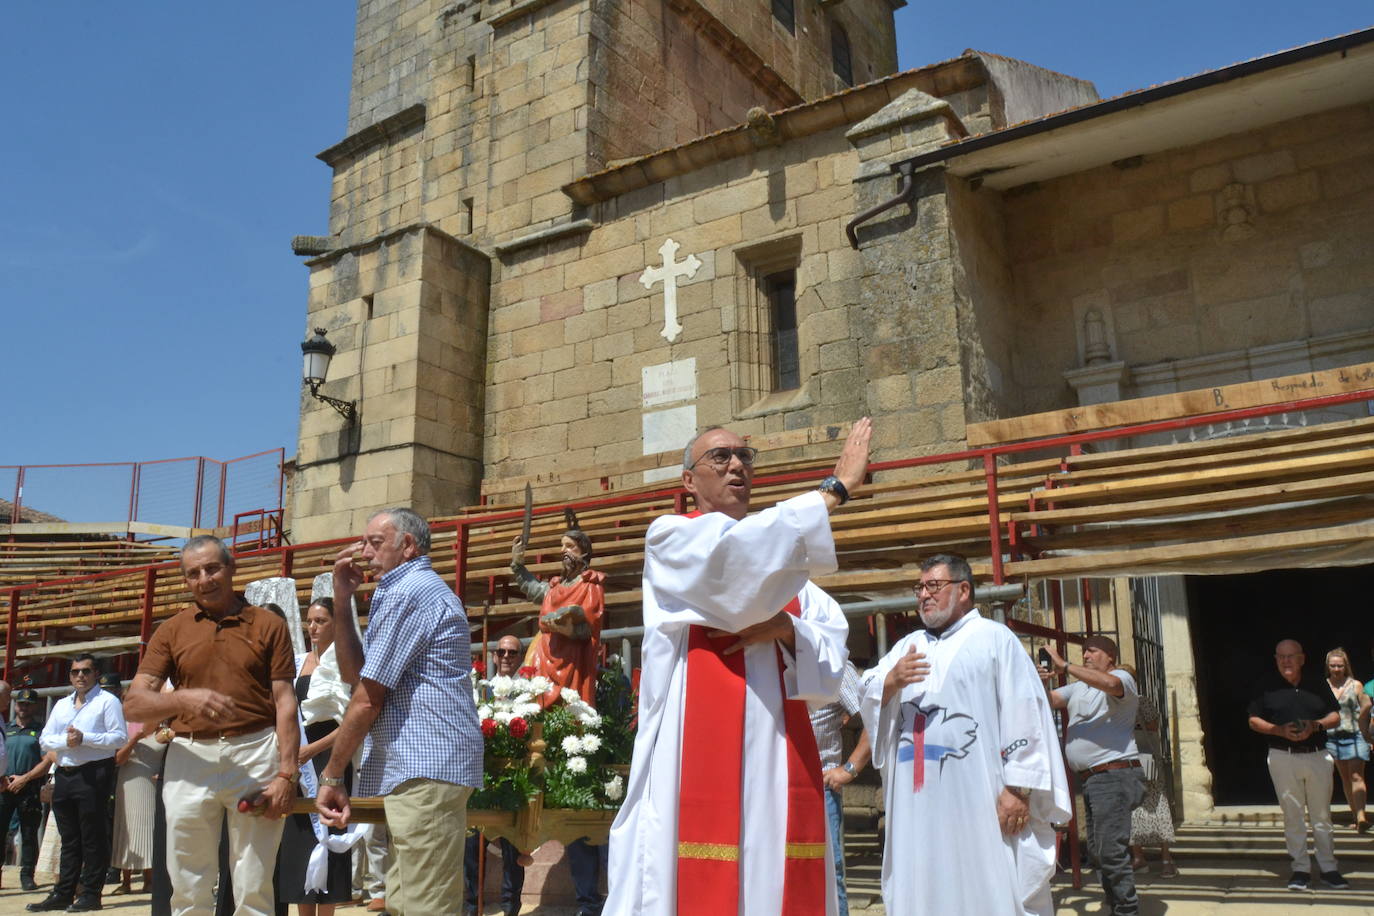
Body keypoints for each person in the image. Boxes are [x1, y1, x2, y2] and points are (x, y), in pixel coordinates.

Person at [604, 419, 870, 916]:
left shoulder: (795, 579)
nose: (736, 465)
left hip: (778, 750)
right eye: (720, 457)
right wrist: (833, 491)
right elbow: (734, 568)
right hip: (694, 747)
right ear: (688, 481)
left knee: (772, 871)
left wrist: (789, 631)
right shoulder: (670, 539)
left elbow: (833, 657)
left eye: (744, 456)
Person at [863, 556, 1070, 916]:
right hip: (917, 808)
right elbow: (865, 692)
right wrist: (891, 681)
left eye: (933, 586)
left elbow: (1025, 712)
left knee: (989, 886)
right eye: (919, 588)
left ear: (963, 591)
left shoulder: (994, 639)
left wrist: (1018, 789)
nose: (923, 596)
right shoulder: (907, 647)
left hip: (982, 802)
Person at [318, 507, 483, 916]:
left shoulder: (410, 592)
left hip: (426, 766)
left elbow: (367, 698)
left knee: (423, 905)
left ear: (407, 545)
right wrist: (342, 600)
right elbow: (354, 675)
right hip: (420, 768)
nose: (364, 553)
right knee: (406, 902)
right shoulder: (405, 591)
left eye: (375, 543)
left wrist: (334, 774)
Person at [123, 534, 300, 916]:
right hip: (188, 755)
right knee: (187, 882)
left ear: (231, 568)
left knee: (254, 883)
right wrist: (182, 699)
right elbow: (134, 704)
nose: (204, 579)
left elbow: (285, 702)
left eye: (212, 568)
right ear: (186, 581)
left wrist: (287, 774)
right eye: (193, 573)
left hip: (255, 751)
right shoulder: (172, 630)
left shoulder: (269, 625)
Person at [1041, 636, 1143, 916]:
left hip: (1114, 773)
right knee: (1098, 851)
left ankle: (1126, 910)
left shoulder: (1122, 677)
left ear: (1110, 656)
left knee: (1110, 851)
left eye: (1092, 651)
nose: (1086, 655)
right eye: (1083, 652)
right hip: (1094, 779)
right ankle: (1114, 905)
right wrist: (1043, 679)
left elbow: (1111, 686)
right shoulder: (1080, 687)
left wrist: (1065, 665)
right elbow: (1047, 701)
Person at [277, 598, 356, 915]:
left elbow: (351, 722)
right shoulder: (296, 663)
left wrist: (314, 749)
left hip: (330, 760)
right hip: (297, 762)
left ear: (336, 624)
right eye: (309, 620)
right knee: (299, 842)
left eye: (321, 620)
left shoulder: (346, 664)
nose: (313, 627)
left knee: (329, 837)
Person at [1246, 639, 1345, 891]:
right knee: (1293, 815)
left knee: (1322, 815)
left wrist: (1316, 725)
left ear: (1302, 658)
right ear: (1275, 659)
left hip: (1317, 755)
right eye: (1281, 656)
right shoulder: (1265, 686)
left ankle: (1328, 868)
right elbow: (1253, 720)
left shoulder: (1316, 684)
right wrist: (1279, 730)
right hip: (1282, 756)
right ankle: (1300, 869)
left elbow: (1335, 715)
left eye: (1291, 656)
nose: (1286, 661)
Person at [30, 655, 126, 913]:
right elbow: (45, 740)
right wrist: (69, 742)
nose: (80, 676)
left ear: (96, 674)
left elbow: (119, 737)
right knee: (69, 838)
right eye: (75, 672)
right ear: (70, 676)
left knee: (92, 837)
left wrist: (85, 738)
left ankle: (91, 895)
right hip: (65, 773)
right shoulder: (62, 704)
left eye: (85, 671)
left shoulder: (108, 701)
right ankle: (64, 893)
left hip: (94, 773)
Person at [465, 634, 528, 916]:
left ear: (520, 657)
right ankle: (471, 907)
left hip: (513, 780)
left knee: (513, 851)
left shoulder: (528, 694)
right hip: (482, 777)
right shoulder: (479, 690)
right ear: (492, 656)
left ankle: (510, 907)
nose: (505, 657)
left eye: (512, 653)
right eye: (501, 652)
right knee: (471, 847)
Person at [510, 527, 604, 708]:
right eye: (562, 546)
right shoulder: (554, 587)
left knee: (568, 713)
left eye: (569, 546)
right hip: (545, 656)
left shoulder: (590, 586)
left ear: (583, 551)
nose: (563, 551)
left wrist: (569, 630)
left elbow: (591, 627)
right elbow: (533, 589)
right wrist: (517, 564)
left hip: (573, 661)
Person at [809, 662, 870, 916]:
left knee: (829, 873)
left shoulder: (833, 665)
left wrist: (850, 768)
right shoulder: (767, 658)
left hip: (818, 785)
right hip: (775, 786)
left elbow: (873, 714)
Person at [110, 684, 167, 896]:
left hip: (152, 784)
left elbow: (171, 755)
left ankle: (149, 879)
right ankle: (125, 882)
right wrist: (136, 737)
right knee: (126, 829)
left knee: (149, 828)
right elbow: (118, 759)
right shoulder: (120, 728)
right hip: (128, 782)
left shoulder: (164, 727)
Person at [1121, 667, 1176, 878]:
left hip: (1144, 759)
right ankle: (1138, 857)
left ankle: (1165, 858)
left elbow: (1152, 727)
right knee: (1131, 809)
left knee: (1157, 806)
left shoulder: (1141, 701)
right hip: (1124, 761)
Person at [2, 685, 48, 892]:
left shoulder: (41, 731)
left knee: (29, 833)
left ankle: (27, 875)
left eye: (28, 705)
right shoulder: (7, 727)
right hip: (5, 786)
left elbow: (47, 760)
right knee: (1, 832)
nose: (23, 708)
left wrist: (25, 778)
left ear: (35, 707)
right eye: (21, 704)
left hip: (29, 786)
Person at [1322, 647, 1369, 834]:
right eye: (1333, 665)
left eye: (1339, 665)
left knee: (1357, 776)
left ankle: (1361, 817)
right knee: (1345, 778)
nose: (1336, 669)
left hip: (1355, 734)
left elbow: (1366, 703)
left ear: (1345, 666)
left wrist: (1363, 722)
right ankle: (1354, 814)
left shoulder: (1356, 685)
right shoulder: (1323, 685)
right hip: (1333, 737)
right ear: (1328, 666)